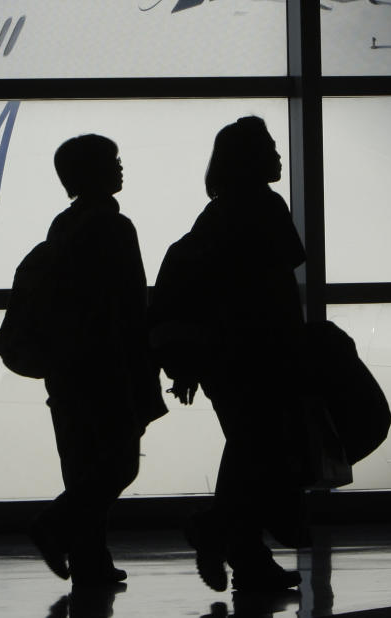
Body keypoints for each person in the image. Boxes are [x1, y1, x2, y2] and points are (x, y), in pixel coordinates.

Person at [150, 116, 308, 592]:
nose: (279, 157)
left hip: (224, 359)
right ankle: (221, 531)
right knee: (258, 452)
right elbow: (282, 276)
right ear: (251, 159)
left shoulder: (214, 215)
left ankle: (243, 550)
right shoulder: (266, 207)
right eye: (271, 149)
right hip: (262, 356)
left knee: (246, 449)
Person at [30, 134, 167, 586]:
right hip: (107, 368)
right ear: (91, 173)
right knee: (119, 463)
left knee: (84, 464)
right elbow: (128, 307)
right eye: (112, 161)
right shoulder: (113, 228)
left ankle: (90, 560)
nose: (121, 167)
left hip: (68, 370)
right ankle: (56, 525)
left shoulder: (63, 225)